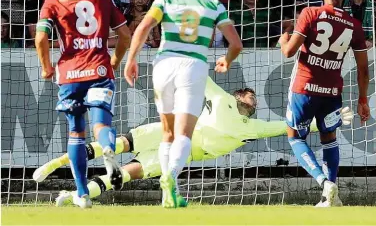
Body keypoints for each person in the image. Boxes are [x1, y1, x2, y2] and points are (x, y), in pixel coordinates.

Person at [33, 76, 355, 206]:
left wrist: (331, 120)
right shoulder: (222, 98)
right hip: (170, 130)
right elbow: (202, 75)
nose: (253, 99)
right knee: (117, 144)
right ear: (237, 95)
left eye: (255, 98)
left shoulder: (251, 126)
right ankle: (60, 162)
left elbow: (289, 126)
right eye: (249, 94)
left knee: (122, 175)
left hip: (178, 155)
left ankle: (73, 193)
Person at [123, 0, 243, 208]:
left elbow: (143, 27)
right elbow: (236, 44)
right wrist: (227, 60)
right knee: (184, 134)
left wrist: (131, 59)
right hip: (193, 66)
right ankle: (170, 177)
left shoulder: (165, 0)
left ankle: (170, 192)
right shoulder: (212, 2)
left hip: (164, 65)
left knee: (167, 132)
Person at [34, 0, 131, 209]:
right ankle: (108, 150)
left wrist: (46, 67)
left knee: (76, 132)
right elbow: (125, 34)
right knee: (101, 125)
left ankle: (82, 194)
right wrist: (115, 62)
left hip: (70, 75)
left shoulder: (52, 1)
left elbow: (40, 38)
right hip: (99, 70)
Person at [278, 0, 370, 207]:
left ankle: (324, 183)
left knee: (296, 137)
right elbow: (363, 69)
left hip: (304, 88)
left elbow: (289, 52)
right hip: (331, 93)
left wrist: (283, 40)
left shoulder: (310, 13)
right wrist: (363, 100)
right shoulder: (354, 24)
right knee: (329, 137)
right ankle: (331, 196)